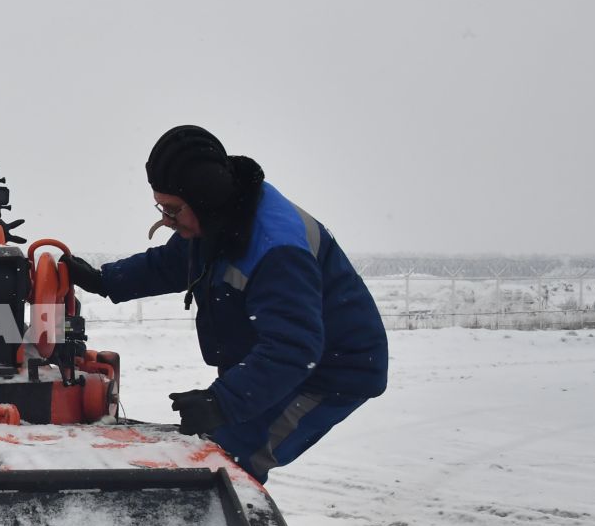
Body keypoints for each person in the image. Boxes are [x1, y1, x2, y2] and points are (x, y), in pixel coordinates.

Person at [64, 125, 387, 482]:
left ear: (203, 200)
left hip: (329, 371)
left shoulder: (276, 249)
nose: (166, 221)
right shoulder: (217, 218)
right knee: (215, 447)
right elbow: (172, 263)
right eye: (161, 207)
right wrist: (103, 280)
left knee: (229, 459)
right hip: (281, 357)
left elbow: (293, 350)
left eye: (172, 210)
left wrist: (223, 402)